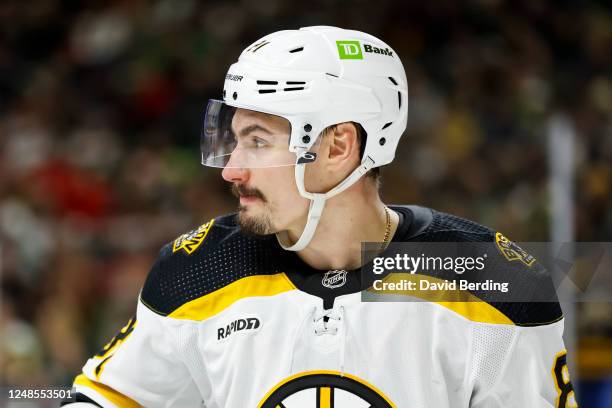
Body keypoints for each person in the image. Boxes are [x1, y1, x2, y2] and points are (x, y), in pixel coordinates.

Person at [63, 26, 577, 408]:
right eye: (235, 139)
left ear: (338, 145)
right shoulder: (197, 271)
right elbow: (110, 398)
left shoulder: (496, 281)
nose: (232, 170)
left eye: (258, 141)